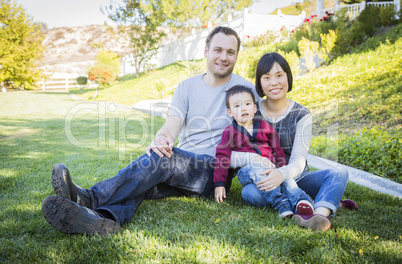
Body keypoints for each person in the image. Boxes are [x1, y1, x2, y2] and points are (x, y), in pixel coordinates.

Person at [41, 26, 258, 235]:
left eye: (230, 52)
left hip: (214, 174)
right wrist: (162, 139)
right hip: (183, 168)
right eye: (218, 50)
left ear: (237, 56)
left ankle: (89, 198)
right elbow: (172, 125)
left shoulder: (246, 91)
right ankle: (103, 219)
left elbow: (259, 136)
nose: (224, 57)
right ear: (206, 51)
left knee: (164, 160)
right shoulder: (187, 87)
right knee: (141, 182)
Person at [239, 52, 358, 231]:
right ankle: (316, 202)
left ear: (288, 77)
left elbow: (298, 161)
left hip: (297, 176)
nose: (274, 83)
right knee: (249, 192)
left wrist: (282, 174)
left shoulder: (301, 115)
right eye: (267, 77)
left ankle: (317, 216)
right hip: (267, 179)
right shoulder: (252, 111)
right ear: (260, 83)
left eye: (279, 75)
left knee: (339, 173)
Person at [213, 85, 314, 218]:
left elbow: (277, 150)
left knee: (286, 180)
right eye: (237, 106)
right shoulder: (229, 132)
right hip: (247, 171)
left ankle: (302, 201)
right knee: (257, 168)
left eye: (247, 104)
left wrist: (282, 168)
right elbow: (222, 157)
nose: (243, 108)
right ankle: (281, 204)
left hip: (270, 167)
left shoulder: (263, 126)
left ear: (254, 108)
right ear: (230, 112)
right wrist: (219, 184)